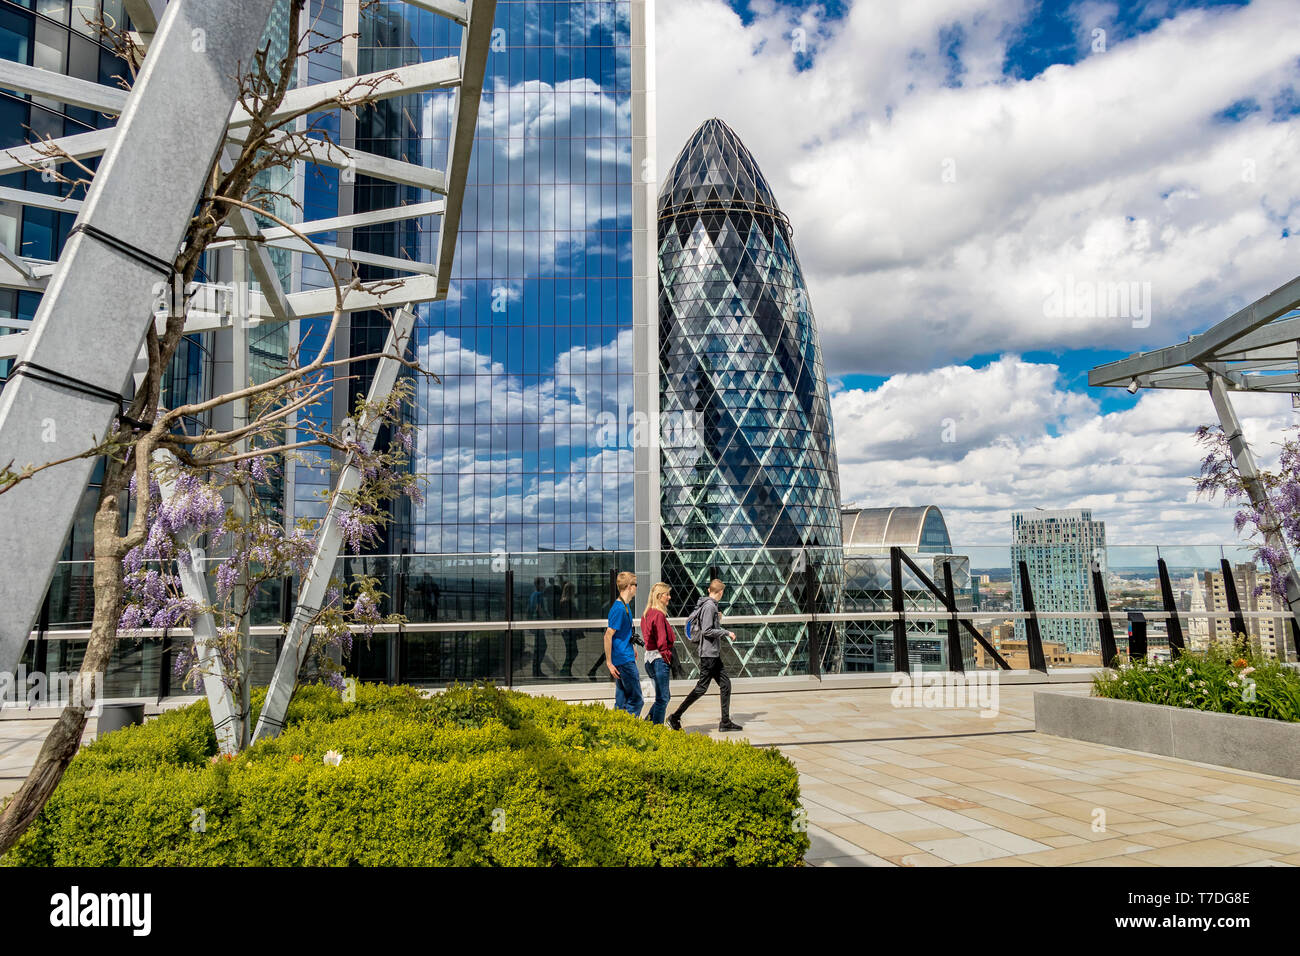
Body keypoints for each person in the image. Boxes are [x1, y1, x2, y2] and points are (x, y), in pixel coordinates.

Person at [669, 578, 742, 732]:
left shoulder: (708, 605)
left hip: (712, 654)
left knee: (725, 684)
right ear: (721, 592)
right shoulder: (709, 606)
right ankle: (675, 717)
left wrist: (718, 620)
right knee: (701, 688)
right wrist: (726, 632)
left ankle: (725, 722)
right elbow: (707, 631)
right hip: (708, 654)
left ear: (709, 590)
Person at [604, 571, 642, 717]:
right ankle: (629, 732)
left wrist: (632, 646)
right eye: (635, 584)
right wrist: (609, 663)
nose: (636, 588)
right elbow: (608, 635)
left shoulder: (625, 606)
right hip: (624, 660)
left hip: (625, 655)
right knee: (636, 700)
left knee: (622, 701)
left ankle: (616, 730)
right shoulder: (619, 608)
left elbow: (623, 633)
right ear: (628, 586)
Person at [640, 582, 677, 724]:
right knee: (662, 698)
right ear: (659, 596)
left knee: (664, 697)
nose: (669, 597)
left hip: (649, 659)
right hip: (659, 659)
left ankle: (647, 723)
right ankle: (657, 729)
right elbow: (662, 641)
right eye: (666, 594)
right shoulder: (659, 615)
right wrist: (667, 658)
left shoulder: (646, 614)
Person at [529, 576, 548, 678]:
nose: (545, 585)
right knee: (542, 647)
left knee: (538, 647)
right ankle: (536, 671)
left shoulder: (533, 594)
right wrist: (547, 620)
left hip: (535, 624)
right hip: (538, 625)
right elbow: (538, 608)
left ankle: (536, 671)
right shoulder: (539, 594)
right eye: (543, 583)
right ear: (538, 584)